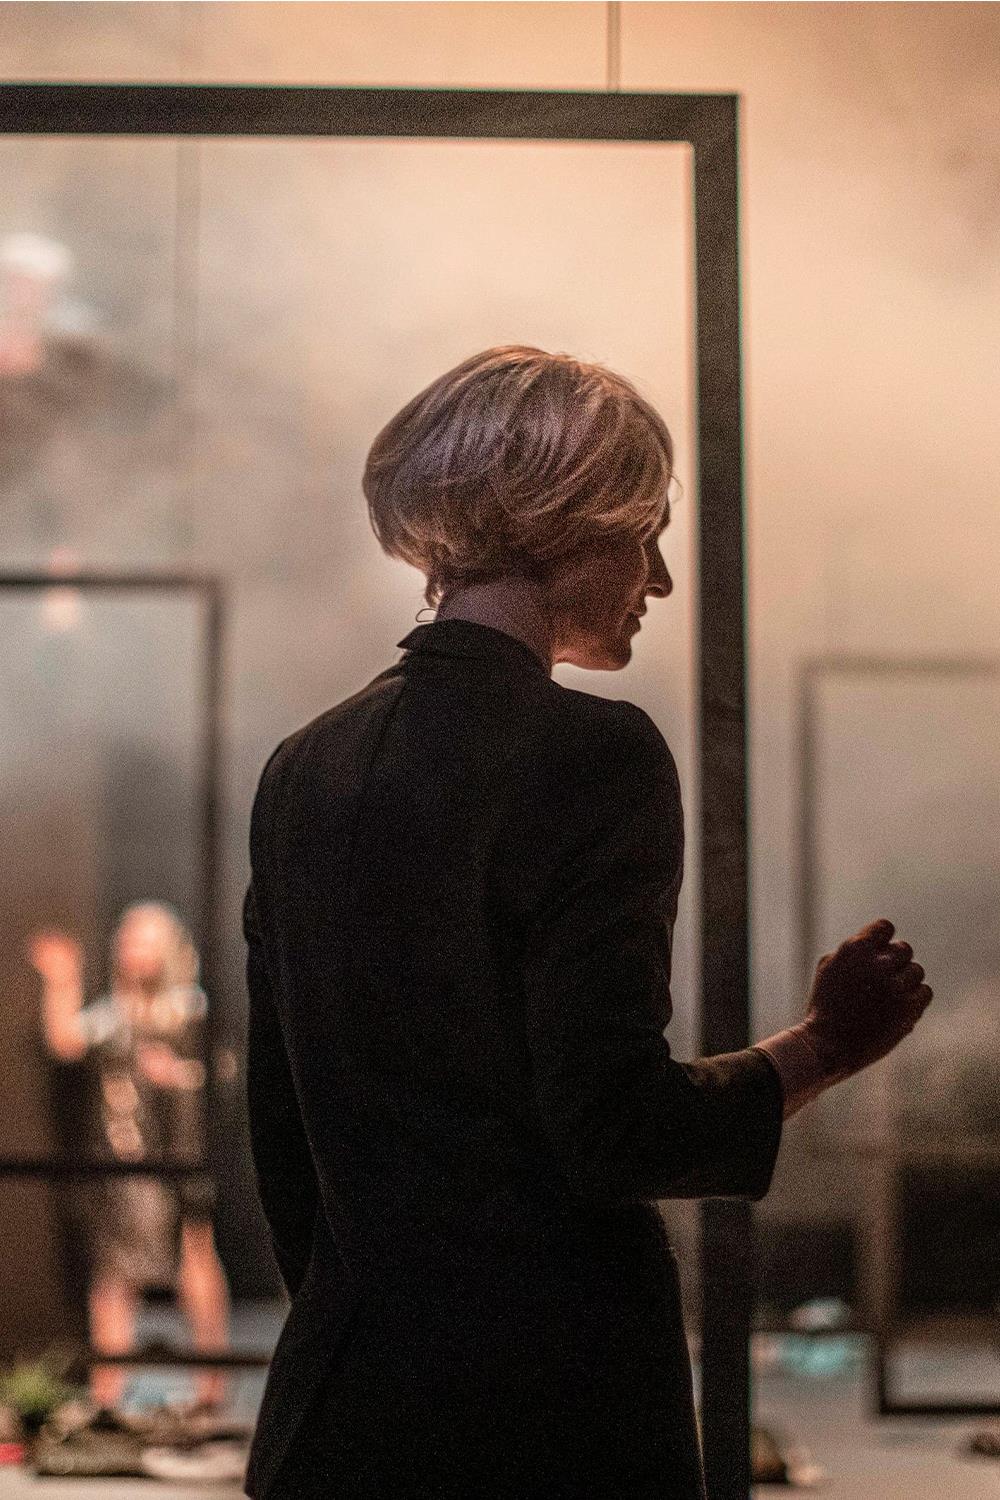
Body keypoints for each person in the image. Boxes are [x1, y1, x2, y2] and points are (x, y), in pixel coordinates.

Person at [242, 346, 933, 1499]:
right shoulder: (592, 756)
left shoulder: (301, 767)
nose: (656, 579)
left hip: (338, 1413)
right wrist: (822, 1047)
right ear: (564, 521)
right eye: (644, 534)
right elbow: (613, 1128)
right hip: (551, 1415)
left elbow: (281, 1132)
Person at [27, 901, 230, 1410]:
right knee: (113, 1273)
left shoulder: (188, 1008)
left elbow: (221, 1073)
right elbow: (67, 1041)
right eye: (128, 938)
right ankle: (108, 1392)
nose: (132, 950)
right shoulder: (114, 1013)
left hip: (177, 1158)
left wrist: (177, 1076)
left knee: (195, 1255)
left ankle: (211, 1385)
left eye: (144, 940)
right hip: (121, 1165)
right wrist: (63, 980)